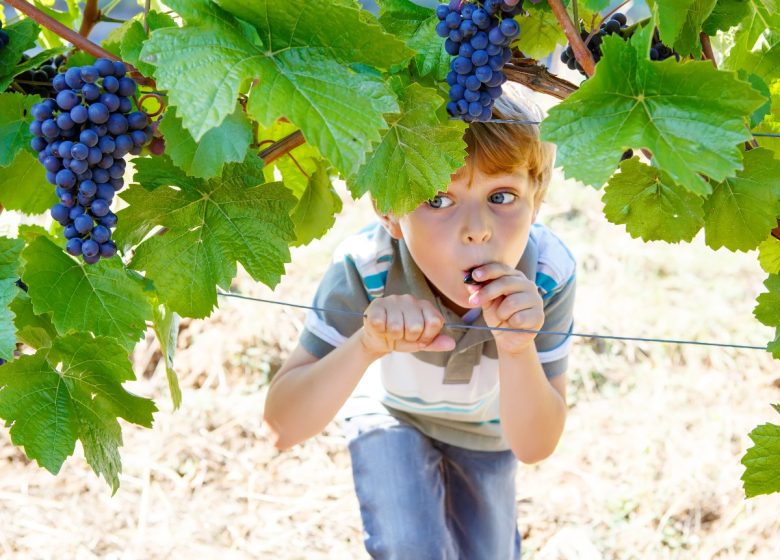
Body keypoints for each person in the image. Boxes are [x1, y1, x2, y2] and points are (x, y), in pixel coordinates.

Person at [262, 82, 577, 560]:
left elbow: (535, 445)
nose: (477, 229)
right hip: (391, 414)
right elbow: (281, 426)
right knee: (412, 547)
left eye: (503, 196)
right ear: (389, 213)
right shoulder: (367, 265)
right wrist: (367, 343)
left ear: (537, 200)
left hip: (489, 432)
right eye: (436, 199)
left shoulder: (549, 275)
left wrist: (518, 347)